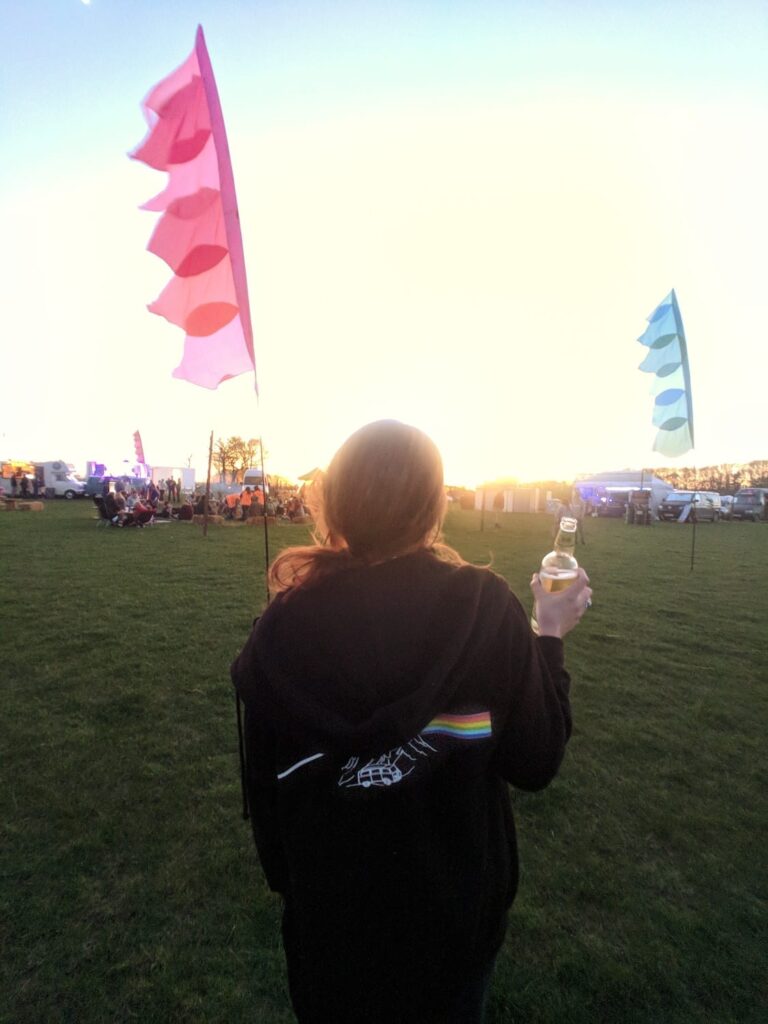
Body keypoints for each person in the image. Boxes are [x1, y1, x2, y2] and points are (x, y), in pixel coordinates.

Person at [231, 420, 591, 1024]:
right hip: (451, 930)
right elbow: (538, 759)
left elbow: (265, 797)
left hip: (331, 933)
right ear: (433, 505)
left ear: (336, 500)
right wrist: (549, 634)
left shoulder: (281, 627)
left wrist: (295, 886)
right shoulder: (483, 609)